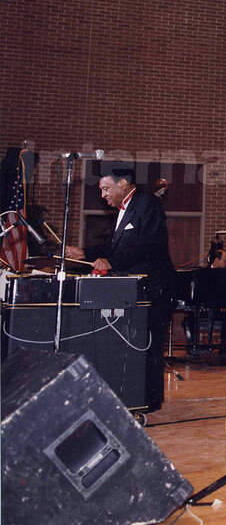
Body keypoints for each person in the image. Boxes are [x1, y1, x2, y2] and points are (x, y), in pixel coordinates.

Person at [66, 165, 175, 409]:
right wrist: (84, 253)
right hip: (133, 290)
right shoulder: (121, 212)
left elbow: (149, 244)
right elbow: (114, 248)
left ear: (123, 184)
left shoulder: (147, 203)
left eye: (106, 189)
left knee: (149, 346)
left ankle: (148, 401)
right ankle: (132, 395)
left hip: (153, 288)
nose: (103, 195)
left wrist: (112, 262)